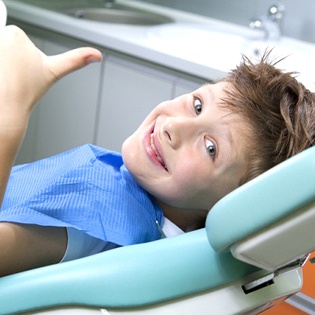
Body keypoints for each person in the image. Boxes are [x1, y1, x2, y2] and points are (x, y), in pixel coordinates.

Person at [0, 26, 314, 277]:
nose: (172, 127)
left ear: (230, 205)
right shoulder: (148, 224)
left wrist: (11, 112)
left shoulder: (97, 231)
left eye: (210, 148)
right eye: (197, 105)